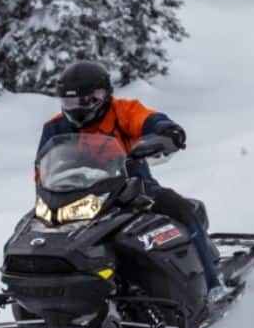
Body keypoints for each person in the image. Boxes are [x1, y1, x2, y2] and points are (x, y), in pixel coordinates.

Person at [39, 60, 226, 303]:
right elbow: (42, 166)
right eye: (70, 102)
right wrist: (46, 193)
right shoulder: (54, 127)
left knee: (182, 210)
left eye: (85, 100)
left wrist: (165, 129)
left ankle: (213, 284)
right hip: (76, 196)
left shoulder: (122, 111)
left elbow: (147, 118)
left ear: (103, 94)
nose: (77, 108)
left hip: (132, 189)